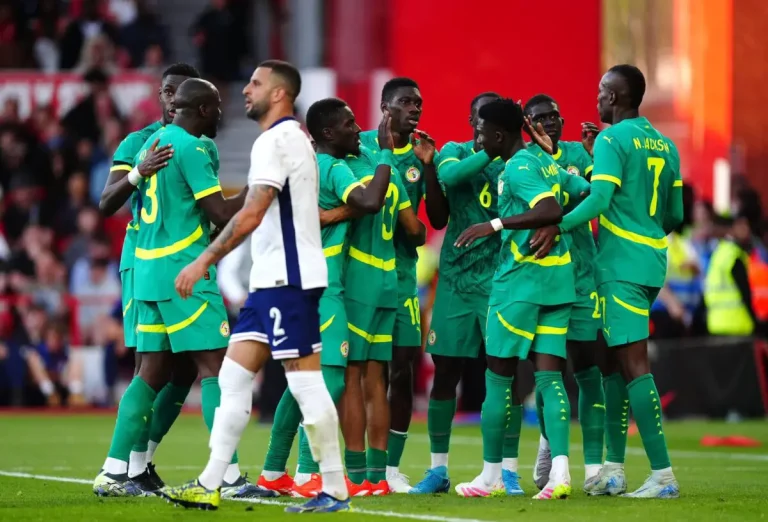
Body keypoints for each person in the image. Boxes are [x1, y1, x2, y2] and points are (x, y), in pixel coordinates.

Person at [163, 61, 350, 513]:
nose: (245, 90)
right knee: (232, 376)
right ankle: (211, 481)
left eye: (256, 83)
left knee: (306, 384)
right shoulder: (290, 139)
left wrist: (203, 260)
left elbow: (249, 213)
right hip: (271, 282)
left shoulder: (277, 139)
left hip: (288, 280)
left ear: (280, 95)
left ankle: (334, 488)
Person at [93, 78, 256, 499]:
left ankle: (115, 471)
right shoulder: (191, 146)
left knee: (151, 372)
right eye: (217, 106)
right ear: (201, 109)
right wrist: (262, 188)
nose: (221, 113)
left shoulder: (155, 142)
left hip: (144, 271)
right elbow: (220, 213)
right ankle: (231, 476)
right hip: (184, 272)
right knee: (216, 368)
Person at [257, 97, 420, 497]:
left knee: (308, 382)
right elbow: (367, 202)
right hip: (320, 285)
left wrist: (335, 215)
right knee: (327, 382)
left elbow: (378, 214)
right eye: (349, 124)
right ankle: (306, 471)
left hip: (329, 282)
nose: (356, 129)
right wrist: (383, 155)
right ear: (328, 133)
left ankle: (275, 471)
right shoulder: (329, 167)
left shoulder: (336, 165)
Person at [532, 64, 682, 498]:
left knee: (634, 365)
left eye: (601, 90)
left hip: (621, 267)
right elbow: (674, 214)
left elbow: (598, 199)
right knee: (614, 366)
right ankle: (613, 471)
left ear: (615, 98)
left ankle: (663, 476)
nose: (596, 98)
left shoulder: (613, 140)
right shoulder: (666, 144)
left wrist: (557, 225)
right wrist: (642, 227)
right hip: (651, 261)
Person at [453, 99, 590, 499]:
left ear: (498, 135)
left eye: (481, 133)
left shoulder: (518, 166)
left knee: (497, 379)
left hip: (520, 283)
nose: (478, 139)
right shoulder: (548, 161)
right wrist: (557, 226)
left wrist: (492, 224)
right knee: (550, 378)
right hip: (558, 281)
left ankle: (491, 477)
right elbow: (582, 190)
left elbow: (547, 207)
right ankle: (561, 474)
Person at [94, 63, 209, 496]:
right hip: (143, 262)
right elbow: (107, 202)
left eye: (179, 93)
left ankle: (140, 463)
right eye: (166, 91)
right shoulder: (138, 141)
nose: (171, 100)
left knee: (182, 368)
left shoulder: (199, 144)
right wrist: (139, 170)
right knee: (152, 364)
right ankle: (118, 467)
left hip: (184, 264)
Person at [411, 91, 525, 496]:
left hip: (501, 280)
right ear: (469, 121)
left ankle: (506, 471)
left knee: (504, 376)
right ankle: (437, 470)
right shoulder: (453, 153)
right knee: (446, 374)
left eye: (489, 124)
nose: (482, 128)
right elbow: (453, 180)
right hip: (457, 282)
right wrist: (491, 152)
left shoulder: (518, 159)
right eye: (478, 120)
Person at [358, 77, 443, 492]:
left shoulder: (421, 155)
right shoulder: (356, 145)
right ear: (384, 105)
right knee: (352, 370)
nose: (415, 109)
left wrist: (428, 167)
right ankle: (350, 463)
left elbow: (429, 225)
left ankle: (390, 467)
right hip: (357, 275)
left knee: (403, 368)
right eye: (406, 102)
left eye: (419, 102)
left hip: (403, 277)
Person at [523, 94, 608, 492]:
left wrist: (596, 155)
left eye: (554, 116)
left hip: (584, 278)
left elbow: (600, 194)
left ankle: (594, 468)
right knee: (549, 373)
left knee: (589, 372)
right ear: (528, 124)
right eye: (539, 117)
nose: (549, 122)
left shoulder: (579, 152)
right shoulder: (526, 160)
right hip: (544, 279)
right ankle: (549, 443)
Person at [704, 214, 762, 336]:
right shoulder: (733, 255)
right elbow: (745, 293)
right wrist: (757, 324)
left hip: (716, 325)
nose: (746, 230)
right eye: (741, 225)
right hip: (737, 325)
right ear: (732, 228)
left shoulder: (719, 252)